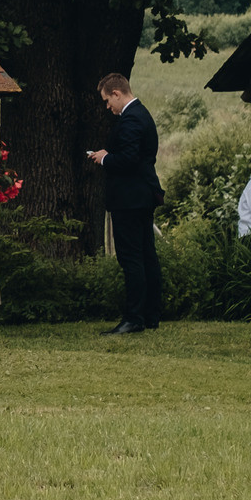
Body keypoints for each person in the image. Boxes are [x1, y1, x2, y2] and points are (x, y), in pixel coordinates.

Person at [87, 73, 163, 335]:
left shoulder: (131, 119)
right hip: (143, 194)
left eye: (108, 101)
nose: (108, 107)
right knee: (146, 254)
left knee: (132, 257)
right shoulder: (143, 114)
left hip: (130, 198)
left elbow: (129, 159)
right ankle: (150, 314)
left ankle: (134, 318)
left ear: (117, 93)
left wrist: (106, 159)